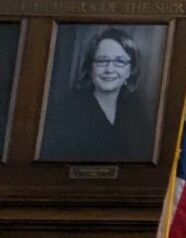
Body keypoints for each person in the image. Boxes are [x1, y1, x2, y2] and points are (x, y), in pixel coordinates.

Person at [42, 26, 156, 164]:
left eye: (119, 62)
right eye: (102, 61)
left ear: (130, 70)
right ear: (91, 67)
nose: (109, 69)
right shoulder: (68, 110)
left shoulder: (136, 113)